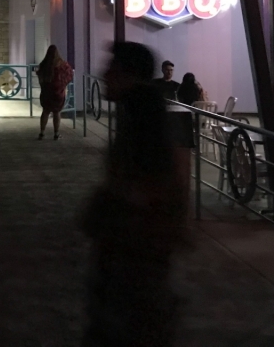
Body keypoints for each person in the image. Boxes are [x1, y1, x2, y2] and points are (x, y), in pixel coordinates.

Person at [81, 42, 185, 346]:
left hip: (135, 245)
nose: (104, 74)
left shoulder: (142, 111)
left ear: (130, 74)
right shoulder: (140, 107)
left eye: (112, 67)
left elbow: (149, 180)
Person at [36, 44, 72, 140]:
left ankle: (42, 133)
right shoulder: (62, 64)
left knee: (45, 112)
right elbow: (69, 75)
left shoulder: (44, 64)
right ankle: (56, 134)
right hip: (58, 93)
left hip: (46, 92)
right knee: (57, 112)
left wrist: (43, 86)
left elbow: (40, 75)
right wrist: (63, 85)